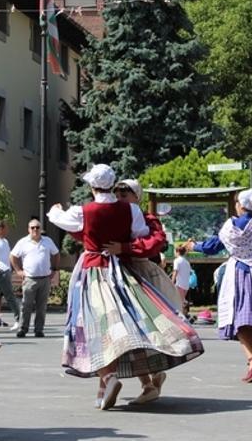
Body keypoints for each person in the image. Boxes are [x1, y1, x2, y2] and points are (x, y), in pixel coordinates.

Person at [48, 164, 203, 410]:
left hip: (93, 271)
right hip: (122, 270)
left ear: (92, 186)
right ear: (111, 185)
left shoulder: (84, 211)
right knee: (131, 319)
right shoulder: (130, 210)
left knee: (95, 324)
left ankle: (108, 377)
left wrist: (55, 211)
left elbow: (62, 221)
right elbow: (140, 232)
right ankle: (113, 382)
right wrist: (122, 242)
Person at [189, 188, 252, 382]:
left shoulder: (230, 226)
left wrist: (194, 246)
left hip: (237, 272)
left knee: (240, 317)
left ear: (241, 206)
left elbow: (212, 247)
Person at [104, 178, 182, 405]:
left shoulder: (146, 218)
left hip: (139, 274)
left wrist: (126, 247)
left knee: (141, 329)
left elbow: (157, 241)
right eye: (117, 192)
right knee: (128, 330)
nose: (120, 196)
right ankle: (148, 378)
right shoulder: (112, 214)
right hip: (115, 274)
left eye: (125, 192)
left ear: (136, 196)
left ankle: (148, 381)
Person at [10, 219, 60, 338]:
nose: (35, 230)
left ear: (40, 229)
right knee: (26, 305)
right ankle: (23, 329)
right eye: (32, 227)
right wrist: (18, 270)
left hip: (44, 279)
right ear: (28, 229)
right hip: (30, 279)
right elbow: (13, 256)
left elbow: (56, 254)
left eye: (37, 227)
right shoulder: (23, 242)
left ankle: (39, 329)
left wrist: (54, 269)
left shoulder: (47, 241)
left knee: (41, 307)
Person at [0, 220, 21, 331]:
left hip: (6, 272)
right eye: (6, 228)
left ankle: (19, 319)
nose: (8, 230)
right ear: (0, 228)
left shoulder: (5, 241)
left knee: (8, 295)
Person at [171, 244, 192, 311]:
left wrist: (171, 282)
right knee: (181, 301)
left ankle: (181, 317)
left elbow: (175, 272)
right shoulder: (187, 262)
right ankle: (184, 313)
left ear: (177, 252)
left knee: (179, 303)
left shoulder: (177, 261)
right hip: (186, 285)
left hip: (179, 284)